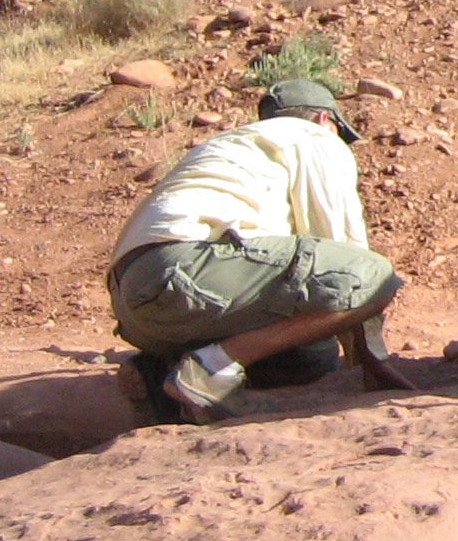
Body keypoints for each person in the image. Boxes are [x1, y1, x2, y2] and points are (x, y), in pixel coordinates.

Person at [108, 78, 412, 420]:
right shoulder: (311, 136)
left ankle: (158, 376)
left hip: (136, 300)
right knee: (374, 275)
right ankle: (207, 371)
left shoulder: (233, 147)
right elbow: (344, 250)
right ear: (324, 119)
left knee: (312, 355)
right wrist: (373, 362)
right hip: (189, 268)